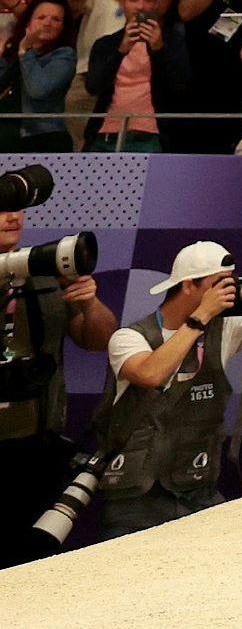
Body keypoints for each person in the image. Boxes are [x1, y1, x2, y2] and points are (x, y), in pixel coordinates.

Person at [99, 242, 242, 537]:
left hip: (198, 489)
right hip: (137, 497)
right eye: (219, 285)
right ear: (189, 285)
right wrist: (200, 318)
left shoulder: (226, 328)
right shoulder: (128, 338)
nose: (227, 293)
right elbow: (151, 373)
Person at [0, 192, 117, 567]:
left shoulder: (47, 269)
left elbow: (98, 340)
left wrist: (88, 303)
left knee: (34, 563)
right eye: (1, 209)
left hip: (36, 447)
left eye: (17, 208)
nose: (12, 217)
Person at [84, 0, 192, 151]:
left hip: (150, 136)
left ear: (156, 5)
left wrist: (158, 49)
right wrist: (120, 51)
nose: (140, 7)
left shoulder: (172, 40)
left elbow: (180, 84)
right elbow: (93, 86)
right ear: (122, 3)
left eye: (148, 0)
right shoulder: (106, 44)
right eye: (134, 0)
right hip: (105, 135)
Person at [0, 0, 77, 151]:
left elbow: (37, 90)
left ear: (63, 27)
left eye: (56, 19)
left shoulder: (64, 56)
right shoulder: (10, 56)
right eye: (41, 17)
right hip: (7, 136)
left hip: (44, 138)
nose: (47, 23)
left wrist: (26, 52)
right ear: (28, 22)